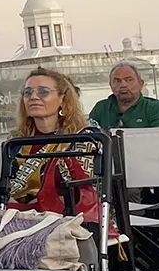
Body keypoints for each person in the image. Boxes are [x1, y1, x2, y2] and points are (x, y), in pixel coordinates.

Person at [6, 68, 101, 221]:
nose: (33, 97)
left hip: (69, 219)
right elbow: (6, 188)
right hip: (18, 217)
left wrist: (37, 206)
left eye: (43, 92)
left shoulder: (83, 138)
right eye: (28, 93)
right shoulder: (15, 141)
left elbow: (84, 193)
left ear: (62, 99)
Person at [89, 62, 159, 129]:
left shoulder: (156, 109)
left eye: (129, 80)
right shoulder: (101, 108)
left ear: (141, 84)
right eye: (117, 81)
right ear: (111, 86)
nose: (123, 85)